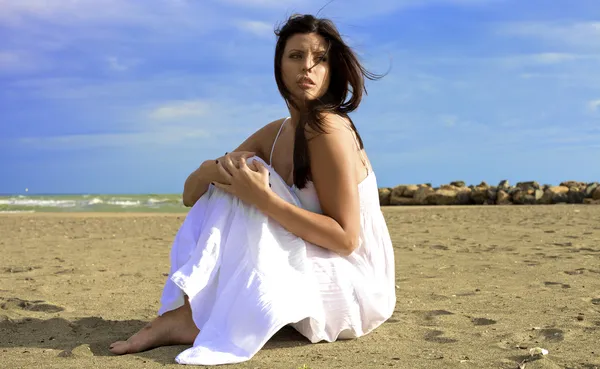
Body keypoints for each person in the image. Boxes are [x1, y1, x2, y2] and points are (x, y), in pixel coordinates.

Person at [109, 13, 396, 365]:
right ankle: (190, 312)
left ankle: (192, 318)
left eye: (319, 59)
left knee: (249, 180)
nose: (308, 67)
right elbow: (191, 195)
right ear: (279, 66)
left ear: (331, 69)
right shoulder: (276, 132)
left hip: (353, 285)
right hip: (317, 260)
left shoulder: (329, 130)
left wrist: (262, 197)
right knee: (237, 173)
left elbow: (347, 239)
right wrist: (209, 169)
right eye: (296, 56)